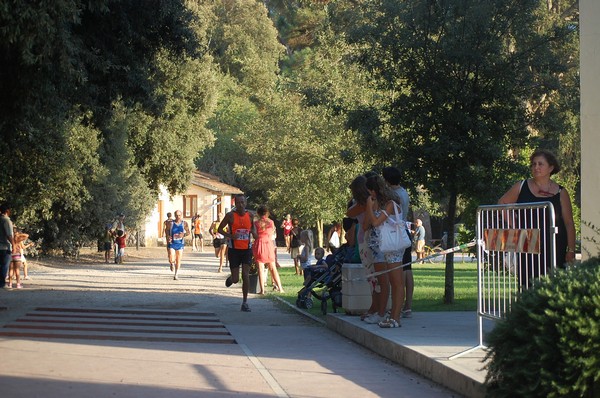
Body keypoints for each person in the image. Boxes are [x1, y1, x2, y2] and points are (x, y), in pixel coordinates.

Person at [498, 149, 576, 285]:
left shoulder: (561, 192)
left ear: (551, 168)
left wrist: (571, 250)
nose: (536, 167)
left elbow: (569, 223)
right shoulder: (521, 186)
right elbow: (502, 203)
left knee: (553, 284)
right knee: (528, 282)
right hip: (528, 242)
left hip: (555, 244)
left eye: (540, 164)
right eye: (533, 164)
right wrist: (514, 225)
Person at [364, 174, 405, 328]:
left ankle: (395, 318)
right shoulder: (382, 204)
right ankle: (393, 316)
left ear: (376, 190)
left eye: (371, 192)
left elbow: (375, 223)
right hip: (387, 246)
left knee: (397, 283)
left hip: (394, 247)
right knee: (395, 282)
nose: (371, 195)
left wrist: (368, 205)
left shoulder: (390, 204)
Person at [383, 166, 414, 319]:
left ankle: (398, 308)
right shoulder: (404, 192)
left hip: (396, 233)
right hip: (404, 231)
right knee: (407, 269)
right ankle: (407, 306)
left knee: (398, 273)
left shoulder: (393, 195)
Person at [218, 195, 254, 312]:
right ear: (235, 204)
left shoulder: (250, 216)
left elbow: (252, 229)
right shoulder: (230, 216)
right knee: (236, 279)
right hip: (234, 250)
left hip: (247, 250)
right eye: (238, 203)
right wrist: (230, 236)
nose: (240, 205)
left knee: (245, 274)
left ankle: (245, 302)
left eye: (242, 202)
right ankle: (231, 279)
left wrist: (256, 235)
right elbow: (219, 229)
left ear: (246, 203)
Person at [251, 205, 284, 294]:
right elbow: (272, 232)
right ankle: (280, 288)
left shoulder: (256, 223)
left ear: (258, 213)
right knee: (273, 268)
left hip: (259, 244)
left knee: (261, 268)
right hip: (269, 243)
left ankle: (262, 290)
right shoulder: (271, 222)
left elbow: (255, 235)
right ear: (267, 213)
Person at [168, 210, 190, 280]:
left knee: (178, 259)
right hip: (172, 243)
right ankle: (171, 263)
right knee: (171, 257)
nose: (178, 217)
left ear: (181, 215)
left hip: (180, 243)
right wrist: (168, 237)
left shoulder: (184, 223)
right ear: (175, 216)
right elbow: (167, 231)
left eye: (179, 215)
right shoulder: (171, 223)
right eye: (177, 215)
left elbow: (188, 232)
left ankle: (176, 274)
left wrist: (183, 234)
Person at [0, 203, 14, 289]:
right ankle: (2, 284)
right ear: (7, 211)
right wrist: (14, 245)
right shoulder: (6, 220)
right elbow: (9, 235)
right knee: (4, 266)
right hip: (4, 247)